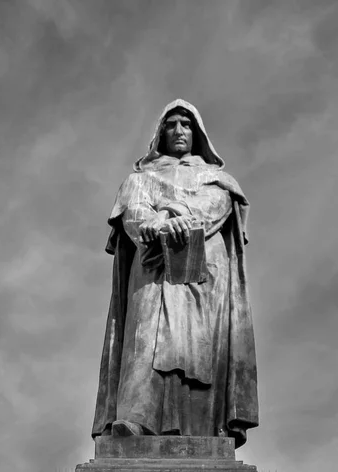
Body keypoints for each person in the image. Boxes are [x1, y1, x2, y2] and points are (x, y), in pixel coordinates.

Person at [91, 99, 258, 448]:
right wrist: (155, 223)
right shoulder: (142, 178)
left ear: (197, 133)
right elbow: (133, 212)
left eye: (186, 124)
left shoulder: (216, 178)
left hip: (203, 273)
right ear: (161, 133)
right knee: (145, 337)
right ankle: (136, 419)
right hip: (154, 265)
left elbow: (216, 206)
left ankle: (202, 427)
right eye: (172, 124)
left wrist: (176, 213)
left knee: (198, 349)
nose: (179, 131)